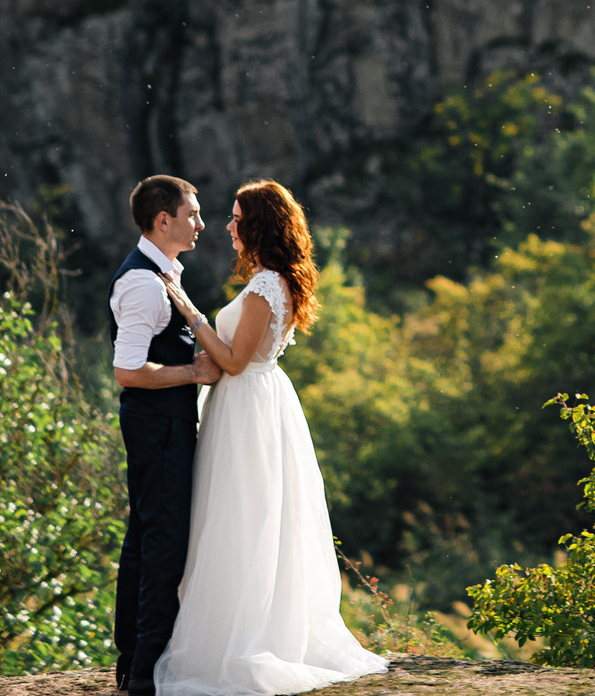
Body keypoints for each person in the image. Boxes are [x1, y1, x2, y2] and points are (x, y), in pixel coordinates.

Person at [154, 179, 388, 696]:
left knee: (240, 517)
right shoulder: (270, 279)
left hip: (249, 405)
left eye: (237, 218)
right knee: (241, 517)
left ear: (259, 224)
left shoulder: (265, 286)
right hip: (253, 403)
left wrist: (192, 315)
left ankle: (238, 641)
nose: (229, 226)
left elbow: (235, 361)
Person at [111, 175, 224, 696]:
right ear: (165, 220)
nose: (200, 223)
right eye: (193, 214)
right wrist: (194, 373)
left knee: (147, 536)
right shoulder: (141, 283)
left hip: (163, 422)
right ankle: (146, 672)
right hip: (156, 424)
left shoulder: (163, 275)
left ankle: (134, 661)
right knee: (163, 542)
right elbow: (128, 371)